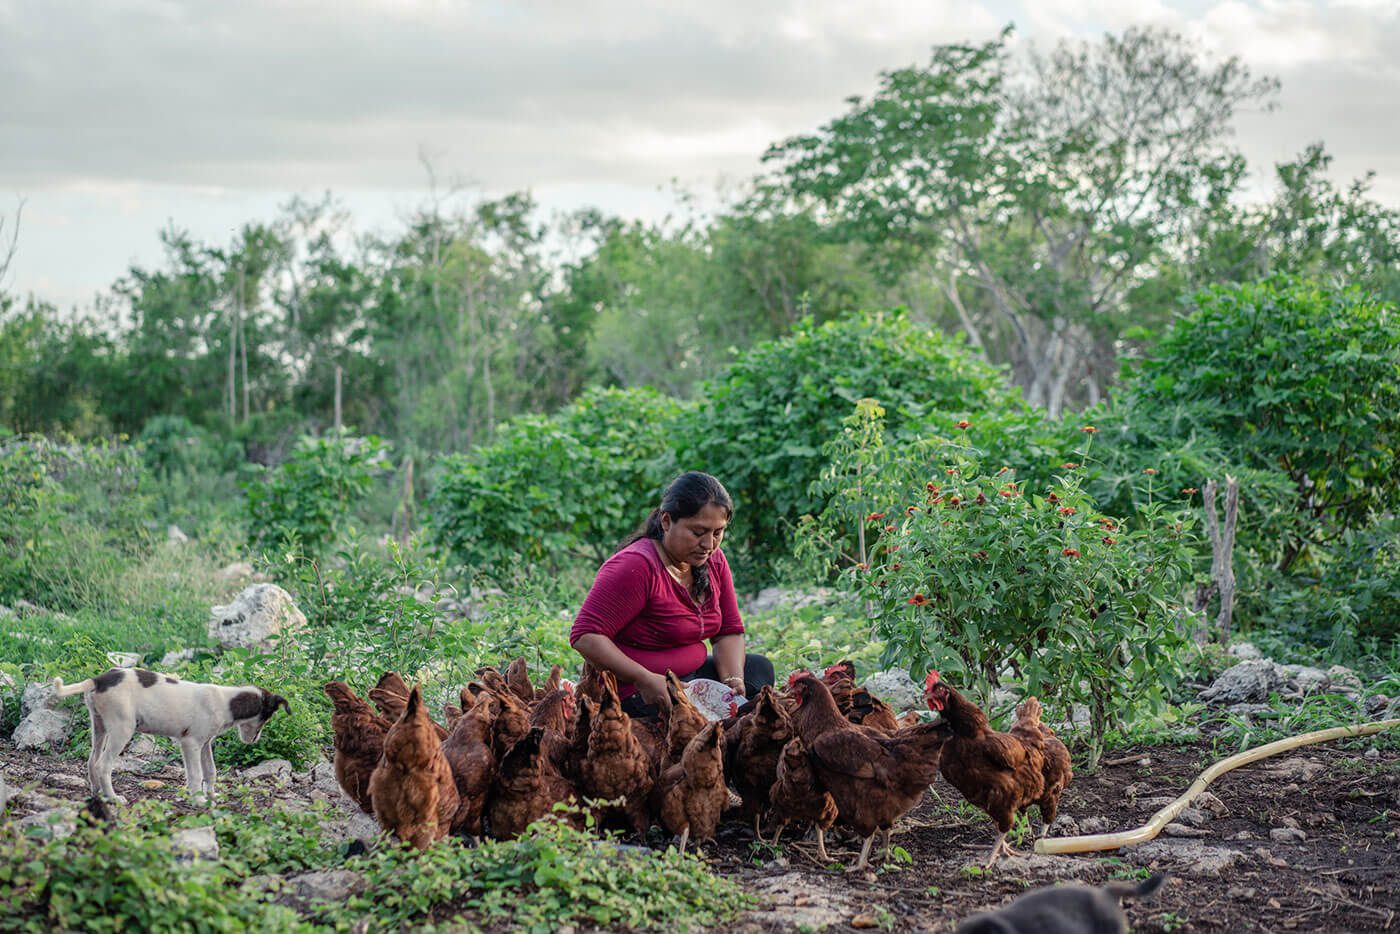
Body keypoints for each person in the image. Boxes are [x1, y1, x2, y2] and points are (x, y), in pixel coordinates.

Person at [570, 471, 775, 718]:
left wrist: (732, 678)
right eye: (698, 532)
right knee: (688, 721)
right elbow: (586, 635)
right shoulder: (636, 566)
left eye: (717, 533)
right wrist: (642, 678)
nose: (709, 544)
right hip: (637, 690)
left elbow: (728, 630)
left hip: (690, 679)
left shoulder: (714, 561)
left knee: (758, 669)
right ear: (666, 521)